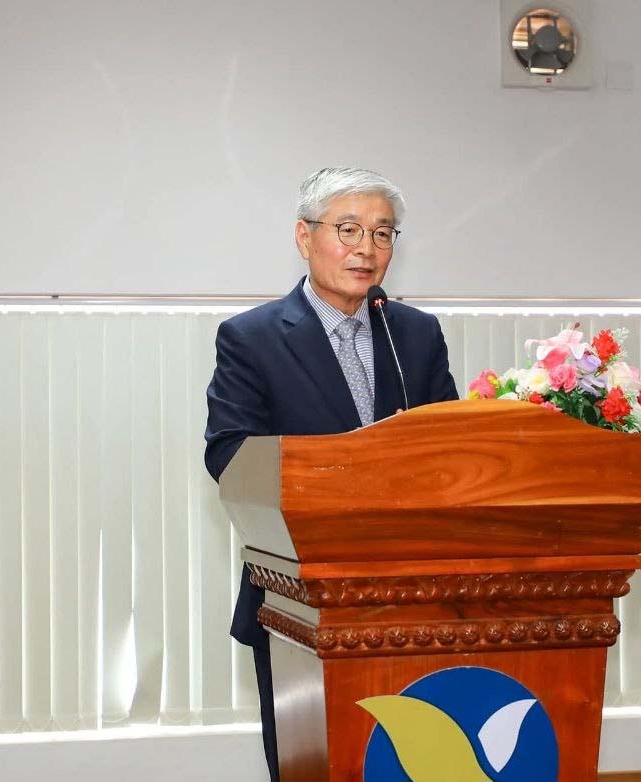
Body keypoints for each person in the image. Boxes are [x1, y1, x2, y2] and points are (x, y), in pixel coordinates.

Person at [203, 167, 459, 781]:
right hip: (300, 594)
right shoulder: (252, 337)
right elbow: (230, 455)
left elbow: (450, 448)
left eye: (382, 233)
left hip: (412, 594)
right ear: (304, 236)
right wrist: (344, 472)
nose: (366, 248)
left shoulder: (415, 334)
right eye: (348, 230)